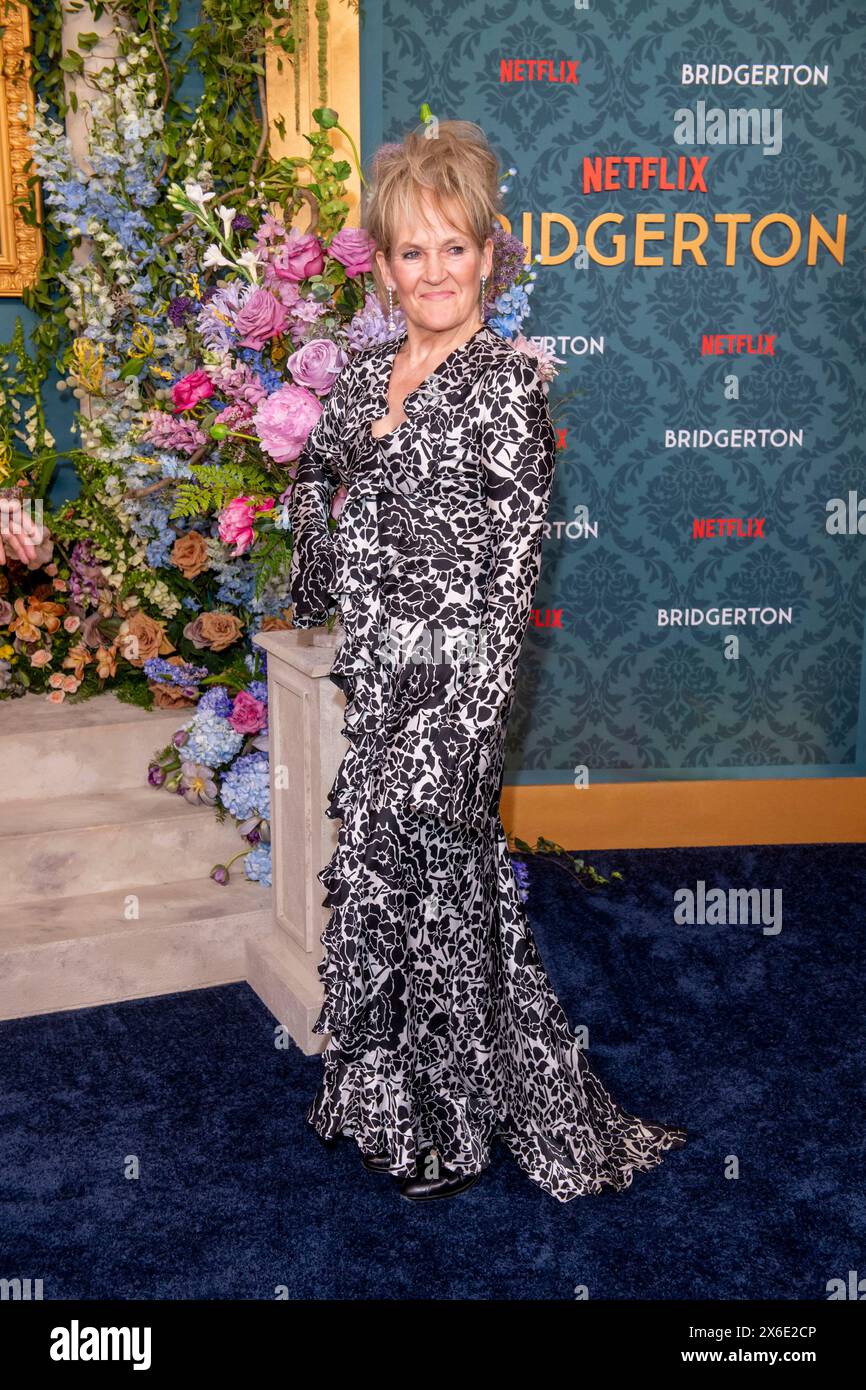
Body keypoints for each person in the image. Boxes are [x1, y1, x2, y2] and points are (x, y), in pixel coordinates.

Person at [288, 119, 687, 1202]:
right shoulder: (367, 373)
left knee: (435, 890)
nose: (432, 271)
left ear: (486, 256)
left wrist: (462, 723)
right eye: (410, 251)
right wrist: (322, 561)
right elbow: (303, 478)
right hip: (374, 678)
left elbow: (506, 578)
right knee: (386, 885)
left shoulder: (504, 385)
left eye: (452, 248)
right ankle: (386, 1099)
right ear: (381, 267)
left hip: (454, 693)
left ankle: (448, 1127)